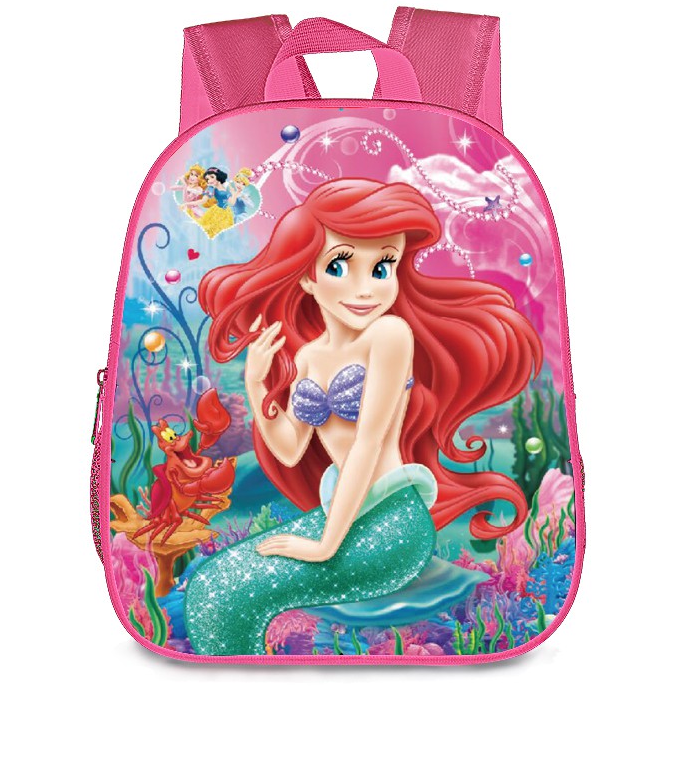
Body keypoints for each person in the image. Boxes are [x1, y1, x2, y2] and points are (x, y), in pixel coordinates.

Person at [184, 178, 543, 655]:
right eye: (339, 266)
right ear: (307, 277)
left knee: (229, 593)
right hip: (348, 517)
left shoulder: (389, 334)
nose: (365, 289)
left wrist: (325, 545)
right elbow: (290, 450)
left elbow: (368, 444)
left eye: (382, 267)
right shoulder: (309, 357)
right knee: (215, 585)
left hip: (391, 525)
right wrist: (256, 386)